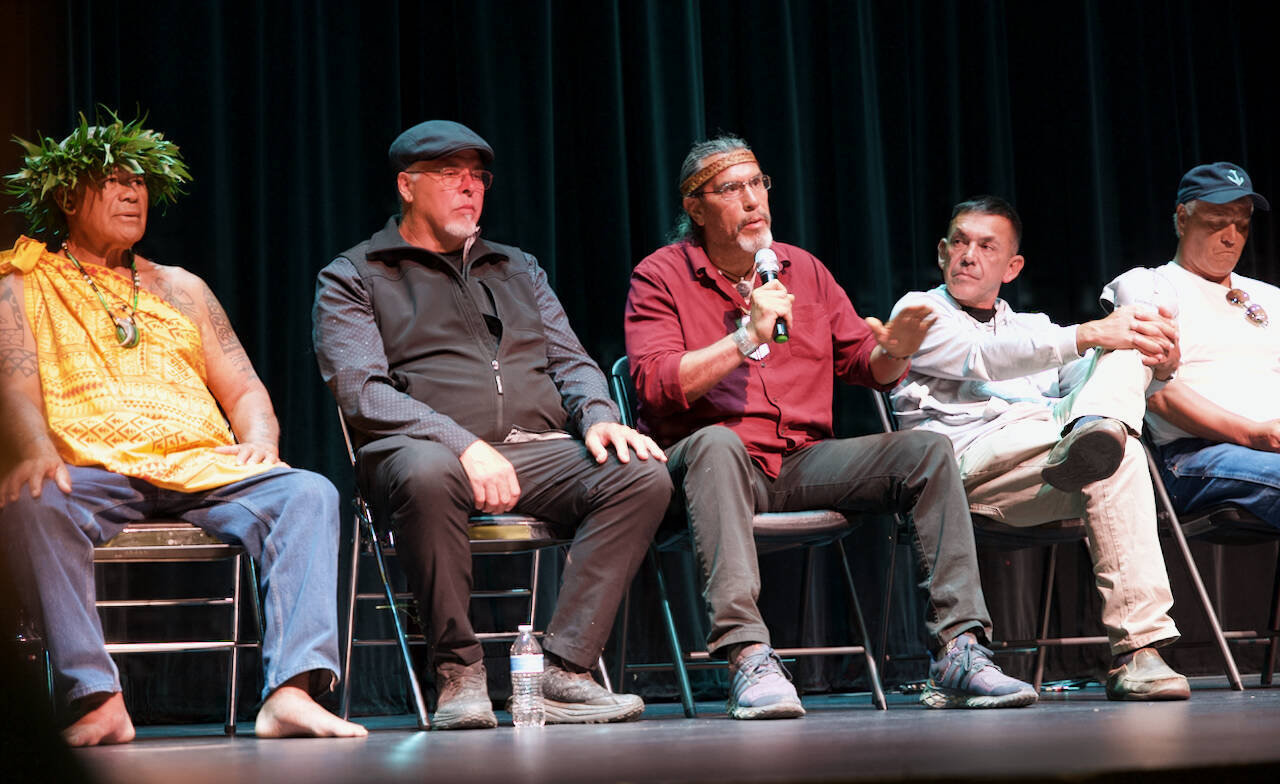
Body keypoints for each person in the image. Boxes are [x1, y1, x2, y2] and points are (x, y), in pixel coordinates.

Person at [625, 135, 1037, 718]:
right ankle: (748, 656)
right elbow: (654, 384)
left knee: (925, 451)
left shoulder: (803, 270)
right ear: (695, 208)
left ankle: (959, 648)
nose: (752, 202)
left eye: (757, 184)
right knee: (717, 442)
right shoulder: (661, 276)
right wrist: (747, 337)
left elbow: (868, 367)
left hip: (801, 462)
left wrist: (898, 350)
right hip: (709, 468)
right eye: (731, 189)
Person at [0, 112, 367, 745]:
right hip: (96, 469)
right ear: (65, 196)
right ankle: (98, 698)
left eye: (140, 183)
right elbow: (16, 383)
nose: (132, 193)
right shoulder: (20, 282)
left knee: (309, 493)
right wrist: (34, 449)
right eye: (114, 180)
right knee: (30, 502)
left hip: (205, 468)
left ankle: (291, 692)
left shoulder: (182, 288)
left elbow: (246, 389)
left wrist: (261, 443)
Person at [314, 120, 671, 729]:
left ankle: (563, 669)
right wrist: (464, 444)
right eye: (450, 175)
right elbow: (360, 390)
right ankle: (458, 671)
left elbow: (572, 361)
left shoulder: (517, 268)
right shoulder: (355, 274)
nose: (469, 188)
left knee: (639, 474)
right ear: (407, 185)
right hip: (417, 454)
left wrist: (599, 417)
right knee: (429, 472)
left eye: (477, 177)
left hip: (533, 451)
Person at [889, 195, 1190, 701]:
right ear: (941, 252)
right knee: (1115, 436)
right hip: (962, 469)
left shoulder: (1034, 327)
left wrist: (1158, 362)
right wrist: (1088, 334)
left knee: (1118, 421)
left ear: (1012, 267)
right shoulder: (918, 312)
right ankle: (1096, 428)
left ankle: (1139, 653)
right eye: (959, 242)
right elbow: (980, 356)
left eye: (987, 247)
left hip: (1043, 465)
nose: (969, 255)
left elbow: (1090, 370)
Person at [1103, 163, 1280, 532]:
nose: (1232, 237)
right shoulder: (1151, 287)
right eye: (1217, 220)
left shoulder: (1271, 298)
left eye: (1242, 224)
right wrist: (1253, 433)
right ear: (1182, 219)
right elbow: (1157, 395)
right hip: (1193, 456)